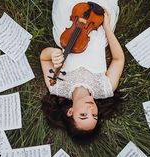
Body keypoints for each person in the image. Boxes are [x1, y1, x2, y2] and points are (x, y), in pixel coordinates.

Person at [40, 0, 124, 144]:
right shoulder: (105, 89)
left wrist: (53, 53)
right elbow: (118, 59)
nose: (91, 109)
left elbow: (43, 58)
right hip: (96, 28)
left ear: (70, 112)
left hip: (70, 25)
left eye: (84, 115)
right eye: (95, 116)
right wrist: (107, 28)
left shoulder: (57, 86)